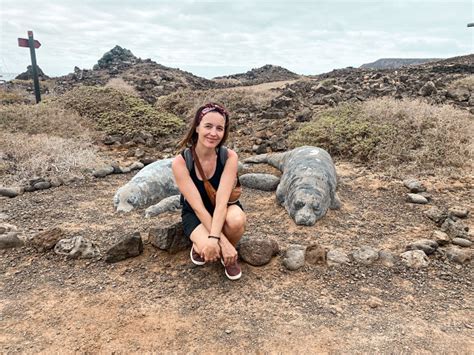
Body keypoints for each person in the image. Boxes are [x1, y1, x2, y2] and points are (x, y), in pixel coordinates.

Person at [172, 102, 246, 280]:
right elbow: (198, 208)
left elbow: (221, 202)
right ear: (197, 127)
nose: (214, 133)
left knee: (236, 220)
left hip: (223, 207)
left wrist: (217, 240)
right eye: (208, 126)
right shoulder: (181, 162)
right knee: (206, 247)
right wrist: (218, 241)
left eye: (219, 128)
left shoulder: (228, 157)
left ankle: (225, 254)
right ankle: (215, 247)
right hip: (196, 214)